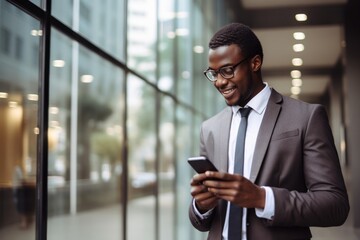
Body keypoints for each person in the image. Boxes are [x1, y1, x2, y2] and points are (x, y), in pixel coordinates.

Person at [189, 23, 349, 240]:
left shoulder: (307, 117)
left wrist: (262, 198)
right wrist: (201, 205)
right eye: (213, 73)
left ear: (255, 63)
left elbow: (335, 205)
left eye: (227, 70)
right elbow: (201, 221)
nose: (219, 82)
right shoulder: (210, 128)